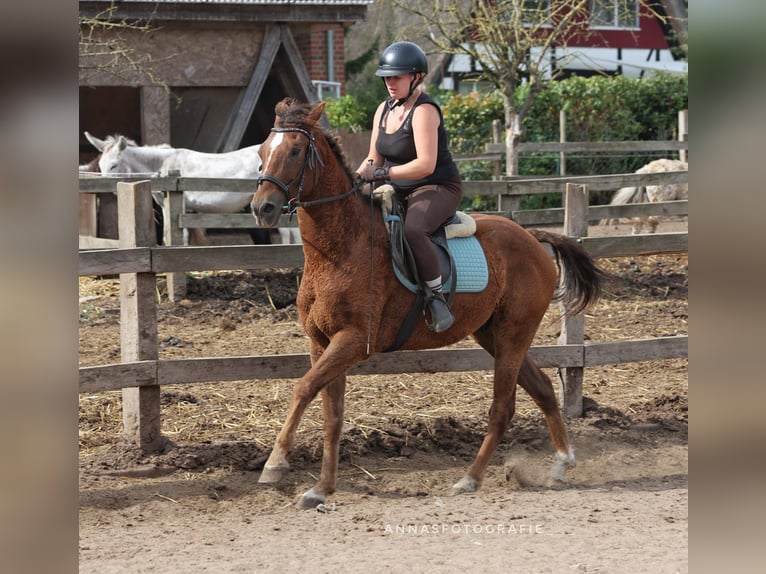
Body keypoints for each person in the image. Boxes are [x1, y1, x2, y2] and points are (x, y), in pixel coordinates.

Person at [355, 41, 463, 333]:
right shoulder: (383, 110)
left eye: (397, 77)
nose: (390, 83)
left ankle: (436, 296)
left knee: (414, 229)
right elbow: (372, 158)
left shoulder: (425, 110)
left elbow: (426, 165)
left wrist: (383, 173)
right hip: (399, 185)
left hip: (436, 186)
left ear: (416, 77)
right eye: (387, 77)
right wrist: (358, 175)